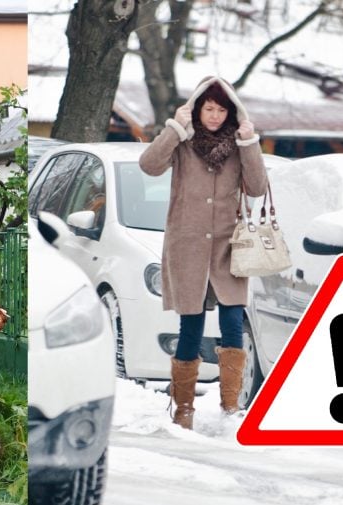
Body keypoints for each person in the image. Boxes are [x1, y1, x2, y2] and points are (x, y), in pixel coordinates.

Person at [139, 76, 267, 430]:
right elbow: (149, 165)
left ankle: (230, 407)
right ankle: (183, 408)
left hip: (228, 246)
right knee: (191, 324)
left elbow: (257, 187)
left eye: (220, 109)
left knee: (232, 323)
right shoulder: (184, 141)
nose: (213, 116)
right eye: (208, 108)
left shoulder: (238, 145)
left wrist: (250, 142)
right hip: (189, 244)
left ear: (231, 113)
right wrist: (174, 130)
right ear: (197, 109)